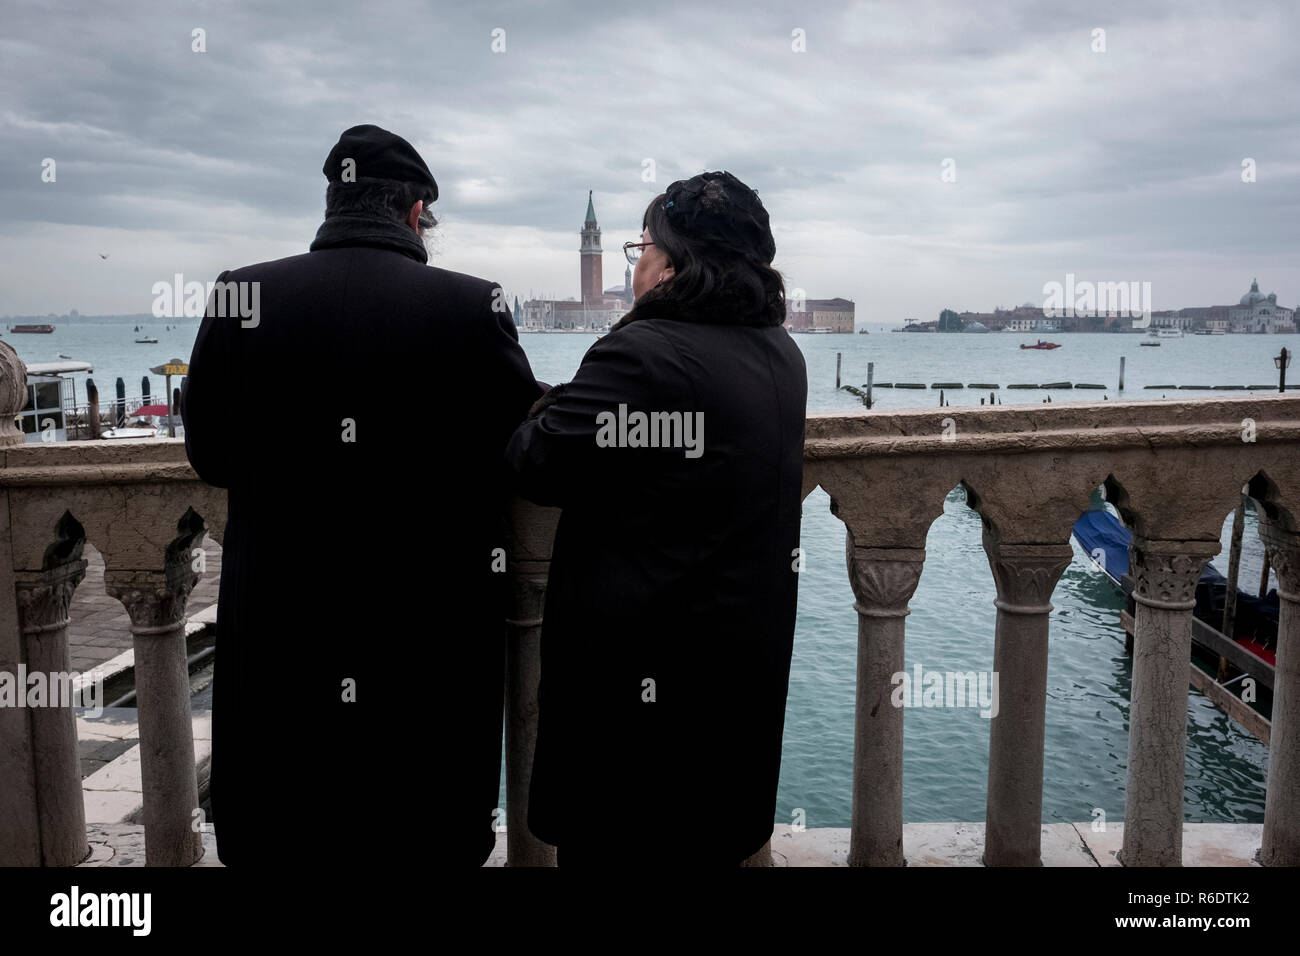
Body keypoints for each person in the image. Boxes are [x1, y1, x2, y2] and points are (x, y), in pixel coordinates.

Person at [182, 124, 541, 868]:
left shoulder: (242, 293)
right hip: (430, 646)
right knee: (424, 835)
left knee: (285, 832)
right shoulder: (474, 306)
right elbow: (521, 453)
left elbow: (210, 453)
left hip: (283, 633)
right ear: (416, 214)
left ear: (333, 200)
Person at [506, 171, 808, 865]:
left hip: (635, 726)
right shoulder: (782, 356)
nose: (634, 262)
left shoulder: (644, 355)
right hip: (733, 697)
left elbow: (536, 462)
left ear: (670, 265)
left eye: (641, 246)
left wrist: (550, 402)